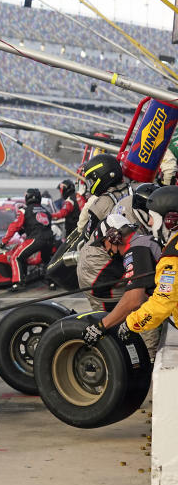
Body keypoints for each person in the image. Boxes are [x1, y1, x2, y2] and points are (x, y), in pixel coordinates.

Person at [99, 187, 178, 350]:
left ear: (170, 220)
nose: (149, 223)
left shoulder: (171, 254)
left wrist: (129, 324)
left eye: (152, 218)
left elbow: (162, 302)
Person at [81, 213, 162, 357]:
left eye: (103, 243)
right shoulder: (145, 241)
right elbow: (141, 295)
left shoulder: (136, 250)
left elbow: (134, 299)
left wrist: (101, 326)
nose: (105, 249)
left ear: (113, 237)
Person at [75, 153, 132, 311]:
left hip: (104, 269)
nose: (91, 184)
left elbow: (88, 236)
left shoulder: (102, 203)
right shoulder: (131, 190)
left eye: (92, 180)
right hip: (118, 263)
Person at [3, 188, 54, 291]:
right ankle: (52, 282)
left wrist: (4, 241)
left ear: (27, 197)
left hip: (35, 239)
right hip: (49, 239)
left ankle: (18, 283)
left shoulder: (24, 210)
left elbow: (14, 226)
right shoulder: (46, 210)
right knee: (47, 260)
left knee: (16, 257)